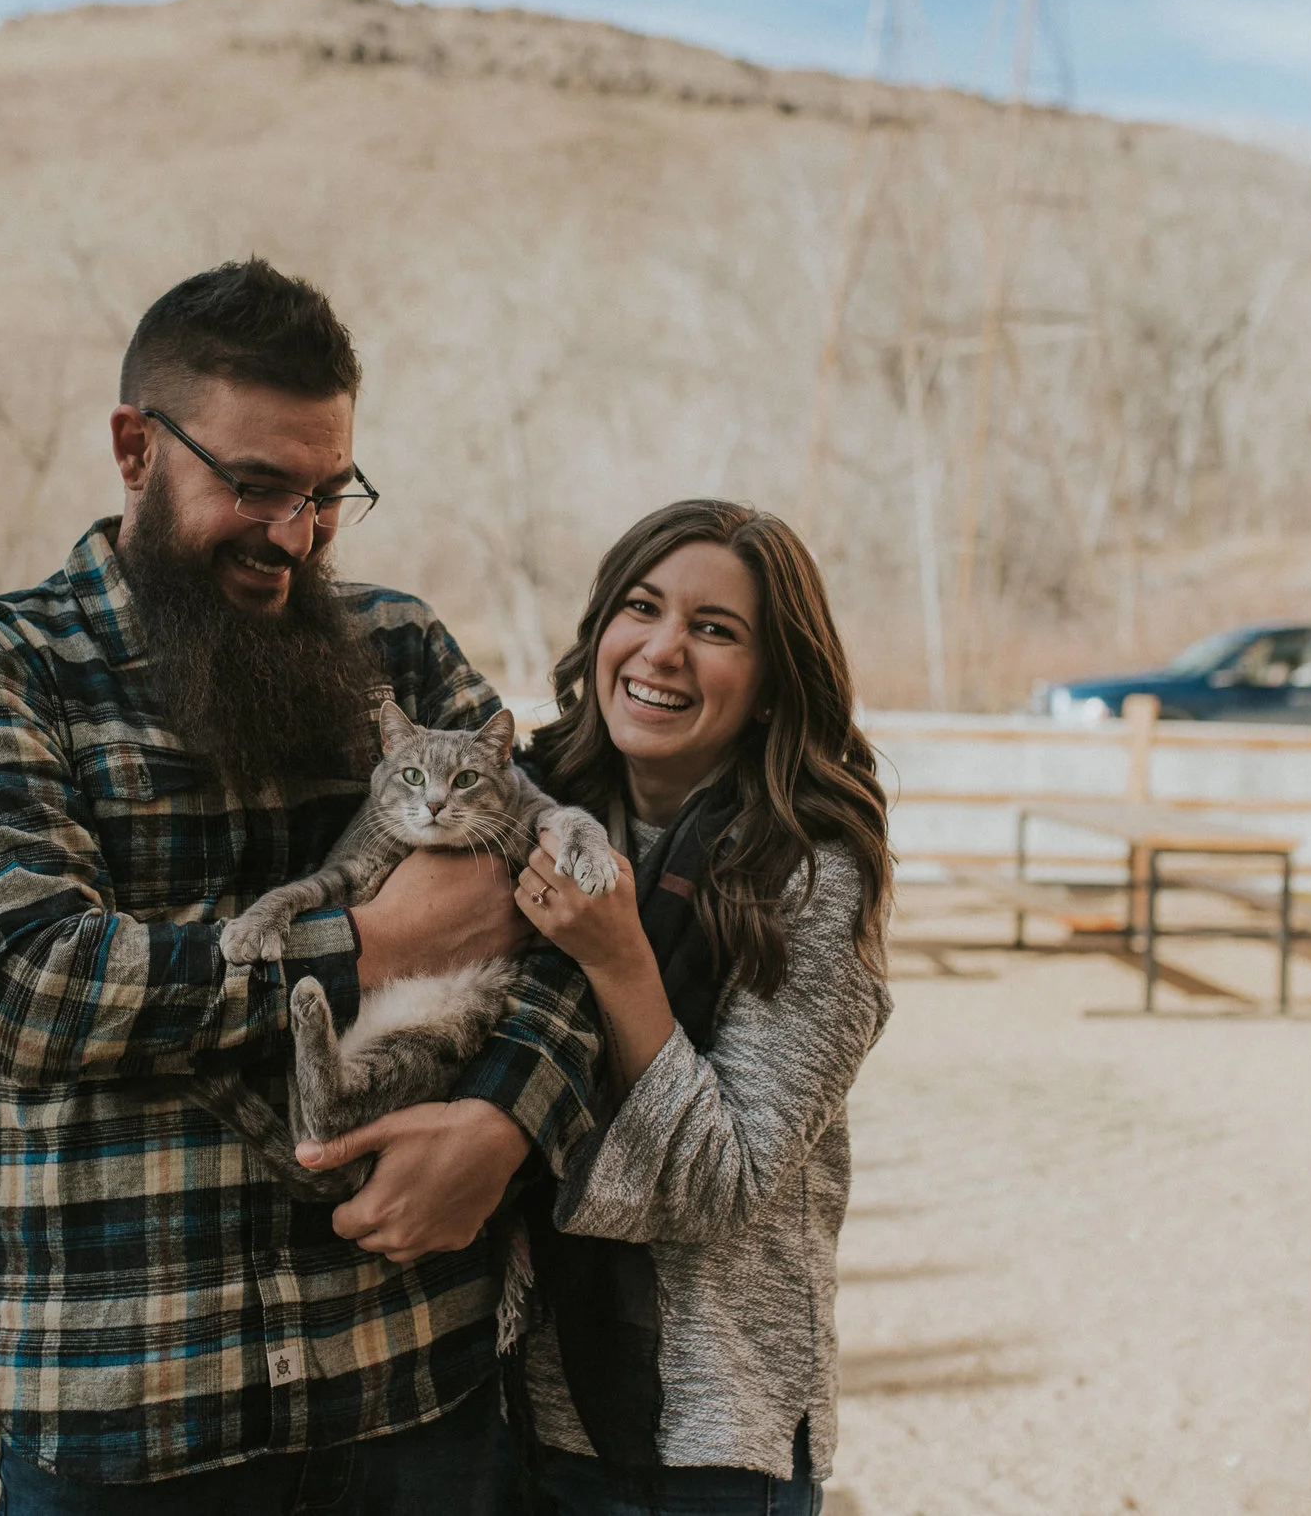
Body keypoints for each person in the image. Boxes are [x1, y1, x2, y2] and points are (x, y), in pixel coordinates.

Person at [0, 258, 602, 1515]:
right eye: (258, 486)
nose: (297, 534)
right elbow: (30, 981)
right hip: (127, 1408)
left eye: (331, 494)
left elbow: (575, 917)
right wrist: (370, 944)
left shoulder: (399, 648)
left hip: (417, 1391)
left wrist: (507, 1121)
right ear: (134, 446)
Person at [303, 499, 892, 1515]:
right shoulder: (519, 804)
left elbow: (722, 1178)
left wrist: (620, 959)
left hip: (704, 1430)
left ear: (767, 684)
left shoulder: (808, 871)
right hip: (510, 1402)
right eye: (642, 607)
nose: (662, 650)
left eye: (715, 630)